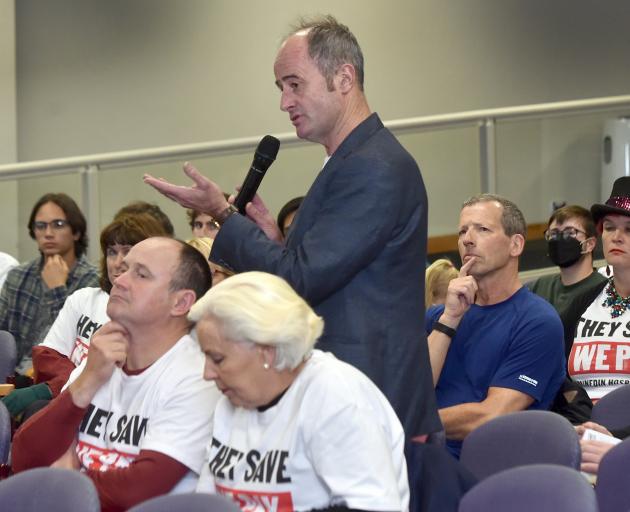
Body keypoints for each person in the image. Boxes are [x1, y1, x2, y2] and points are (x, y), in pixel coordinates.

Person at [144, 15, 440, 438]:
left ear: (343, 77)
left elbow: (301, 279)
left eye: (294, 84)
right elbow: (325, 270)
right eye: (281, 88)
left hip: (373, 400)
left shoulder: (374, 167)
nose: (284, 102)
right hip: (351, 394)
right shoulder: (350, 161)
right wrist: (274, 241)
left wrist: (224, 216)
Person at [12, 237, 220, 512]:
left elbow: (138, 491)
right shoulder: (99, 359)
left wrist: (63, 483)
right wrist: (85, 383)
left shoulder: (197, 377)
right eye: (124, 269)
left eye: (141, 274)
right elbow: (25, 459)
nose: (120, 280)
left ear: (181, 302)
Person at [190, 271, 409, 511]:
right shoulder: (231, 402)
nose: (207, 374)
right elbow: (205, 505)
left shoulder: (334, 394)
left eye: (218, 359)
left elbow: (373, 506)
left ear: (267, 351)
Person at [426, 194, 565, 458]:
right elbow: (412, 393)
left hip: (484, 467)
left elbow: (492, 416)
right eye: (462, 231)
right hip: (421, 458)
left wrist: (415, 423)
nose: (467, 238)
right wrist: (449, 320)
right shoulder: (439, 317)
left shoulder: (537, 322)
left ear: (515, 245)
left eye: (483, 229)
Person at [1, 213, 170, 419]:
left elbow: (115, 375)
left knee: (38, 409)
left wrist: (53, 387)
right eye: (111, 252)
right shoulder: (84, 299)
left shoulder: (149, 312)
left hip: (110, 408)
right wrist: (58, 386)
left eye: (127, 252)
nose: (118, 263)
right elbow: (48, 356)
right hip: (62, 398)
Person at [0, 193, 99, 375]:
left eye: (58, 225)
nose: (48, 233)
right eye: (41, 226)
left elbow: (69, 343)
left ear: (76, 232)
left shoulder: (93, 282)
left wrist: (56, 291)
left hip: (58, 381)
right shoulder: (18, 276)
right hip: (12, 377)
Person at [561, 177, 630, 402]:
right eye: (609, 228)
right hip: (583, 428)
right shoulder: (581, 303)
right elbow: (558, 379)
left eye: (629, 229)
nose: (616, 237)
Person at [529, 205, 605, 316]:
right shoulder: (538, 287)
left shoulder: (603, 290)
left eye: (570, 233)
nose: (559, 239)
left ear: (589, 244)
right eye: (554, 234)